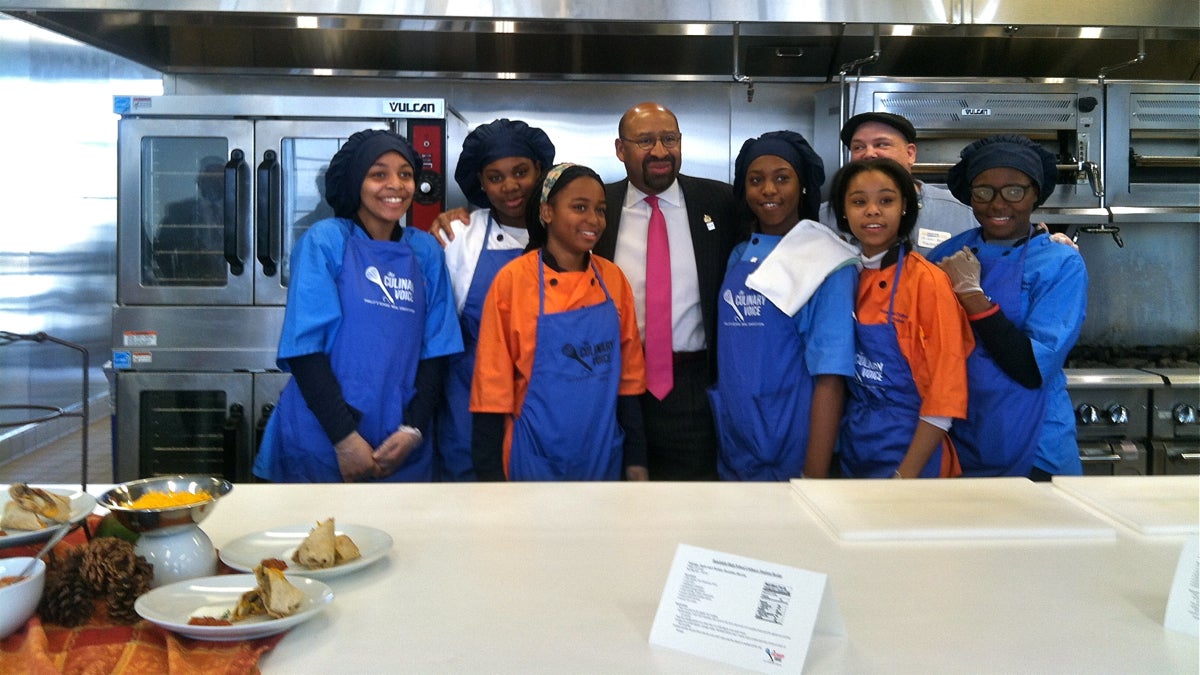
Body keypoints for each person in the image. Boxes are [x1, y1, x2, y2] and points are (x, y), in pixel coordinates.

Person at [254, 129, 463, 483]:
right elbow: (306, 350)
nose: (395, 185)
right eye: (378, 174)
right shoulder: (326, 241)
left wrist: (412, 429)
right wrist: (345, 439)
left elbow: (437, 351)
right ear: (356, 182)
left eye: (405, 174)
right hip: (324, 436)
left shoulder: (425, 252)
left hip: (399, 444)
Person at [594, 102, 744, 480]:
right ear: (620, 149)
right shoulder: (597, 208)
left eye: (669, 139)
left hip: (693, 387)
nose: (660, 151)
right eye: (645, 140)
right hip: (611, 387)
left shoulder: (722, 204)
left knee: (691, 509)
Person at [470, 163, 648, 481]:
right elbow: (491, 389)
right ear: (547, 212)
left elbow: (629, 380)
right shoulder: (513, 281)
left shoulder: (613, 279)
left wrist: (637, 461)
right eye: (580, 207)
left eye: (600, 210)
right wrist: (490, 479)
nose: (593, 220)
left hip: (602, 454)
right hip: (533, 456)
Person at [926, 134, 1088, 480]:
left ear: (1035, 194)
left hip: (1036, 446)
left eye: (1014, 191)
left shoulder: (1060, 263)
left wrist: (971, 294)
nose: (998, 204)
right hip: (960, 437)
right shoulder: (946, 255)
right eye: (983, 191)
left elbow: (1030, 367)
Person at [707, 131, 858, 480]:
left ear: (803, 185)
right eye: (756, 180)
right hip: (735, 441)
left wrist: (814, 476)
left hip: (793, 446)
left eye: (782, 178)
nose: (769, 190)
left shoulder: (827, 262)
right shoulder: (739, 254)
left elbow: (831, 378)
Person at [830, 158, 975, 478]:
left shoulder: (927, 282)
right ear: (843, 211)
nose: (872, 210)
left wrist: (904, 476)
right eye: (858, 201)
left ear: (905, 208)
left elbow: (944, 394)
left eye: (886, 200)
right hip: (857, 448)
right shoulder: (842, 274)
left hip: (913, 457)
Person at [435, 119, 555, 481]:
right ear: (481, 183)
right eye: (495, 177)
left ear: (540, 171)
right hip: (470, 406)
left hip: (549, 403)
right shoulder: (460, 235)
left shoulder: (568, 230)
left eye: (521, 172)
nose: (510, 186)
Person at [818, 112, 976, 255]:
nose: (869, 154)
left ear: (910, 154)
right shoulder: (825, 217)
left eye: (881, 144)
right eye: (858, 147)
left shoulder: (962, 212)